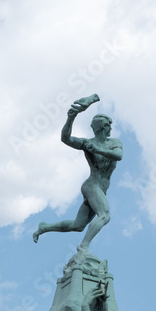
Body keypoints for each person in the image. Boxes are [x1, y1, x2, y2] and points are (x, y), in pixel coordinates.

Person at [33, 95, 123, 251]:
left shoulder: (114, 143)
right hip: (91, 185)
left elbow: (118, 155)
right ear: (102, 127)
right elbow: (65, 138)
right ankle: (84, 246)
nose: (111, 129)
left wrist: (98, 150)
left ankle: (44, 227)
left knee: (78, 225)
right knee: (105, 215)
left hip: (101, 189)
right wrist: (71, 117)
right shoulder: (88, 143)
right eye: (109, 125)